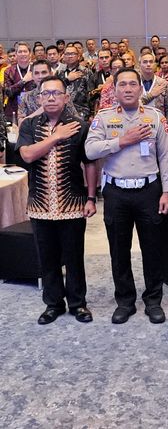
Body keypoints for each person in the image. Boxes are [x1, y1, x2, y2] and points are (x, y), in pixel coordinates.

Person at [85, 68, 168, 324]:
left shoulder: (155, 117)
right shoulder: (103, 118)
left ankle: (153, 300)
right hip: (116, 192)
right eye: (121, 84)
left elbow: (166, 157)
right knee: (118, 250)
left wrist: (167, 190)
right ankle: (125, 301)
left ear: (140, 89)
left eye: (132, 84)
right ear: (114, 89)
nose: (127, 89)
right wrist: (121, 141)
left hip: (149, 190)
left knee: (152, 249)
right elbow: (90, 150)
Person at [17, 75, 97, 325]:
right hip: (40, 205)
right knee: (48, 258)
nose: (51, 97)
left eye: (56, 93)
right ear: (39, 98)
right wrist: (55, 137)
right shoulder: (29, 126)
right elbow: (28, 155)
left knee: (74, 257)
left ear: (66, 97)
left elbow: (90, 164)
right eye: (46, 93)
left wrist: (91, 197)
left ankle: (78, 303)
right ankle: (53, 304)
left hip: (72, 204)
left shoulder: (80, 125)